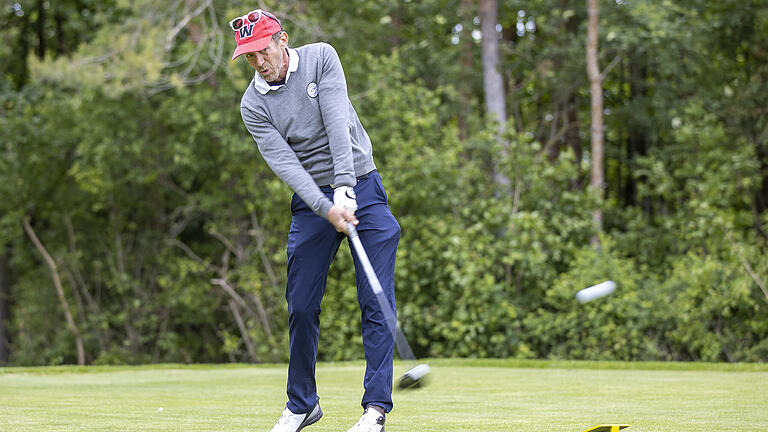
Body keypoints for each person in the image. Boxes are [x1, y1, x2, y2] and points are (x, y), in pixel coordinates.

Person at [230, 9, 400, 432]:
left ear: (282, 40)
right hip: (312, 202)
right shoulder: (252, 104)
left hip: (361, 183)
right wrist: (326, 207)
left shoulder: (322, 57)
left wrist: (345, 188)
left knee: (375, 300)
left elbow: (336, 122)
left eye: (262, 51)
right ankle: (302, 404)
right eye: (249, 57)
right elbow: (286, 164)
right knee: (301, 305)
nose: (259, 63)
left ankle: (375, 410)